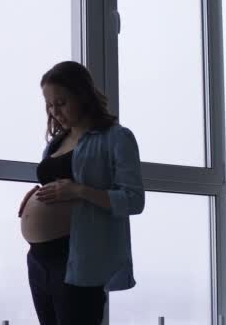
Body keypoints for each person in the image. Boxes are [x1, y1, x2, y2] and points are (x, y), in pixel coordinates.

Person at [19, 61, 145, 325]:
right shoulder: (56, 142)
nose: (55, 111)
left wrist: (80, 191)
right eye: (49, 105)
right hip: (40, 261)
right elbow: (56, 191)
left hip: (78, 262)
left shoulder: (116, 138)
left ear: (82, 94)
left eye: (61, 102)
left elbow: (134, 200)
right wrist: (33, 198)